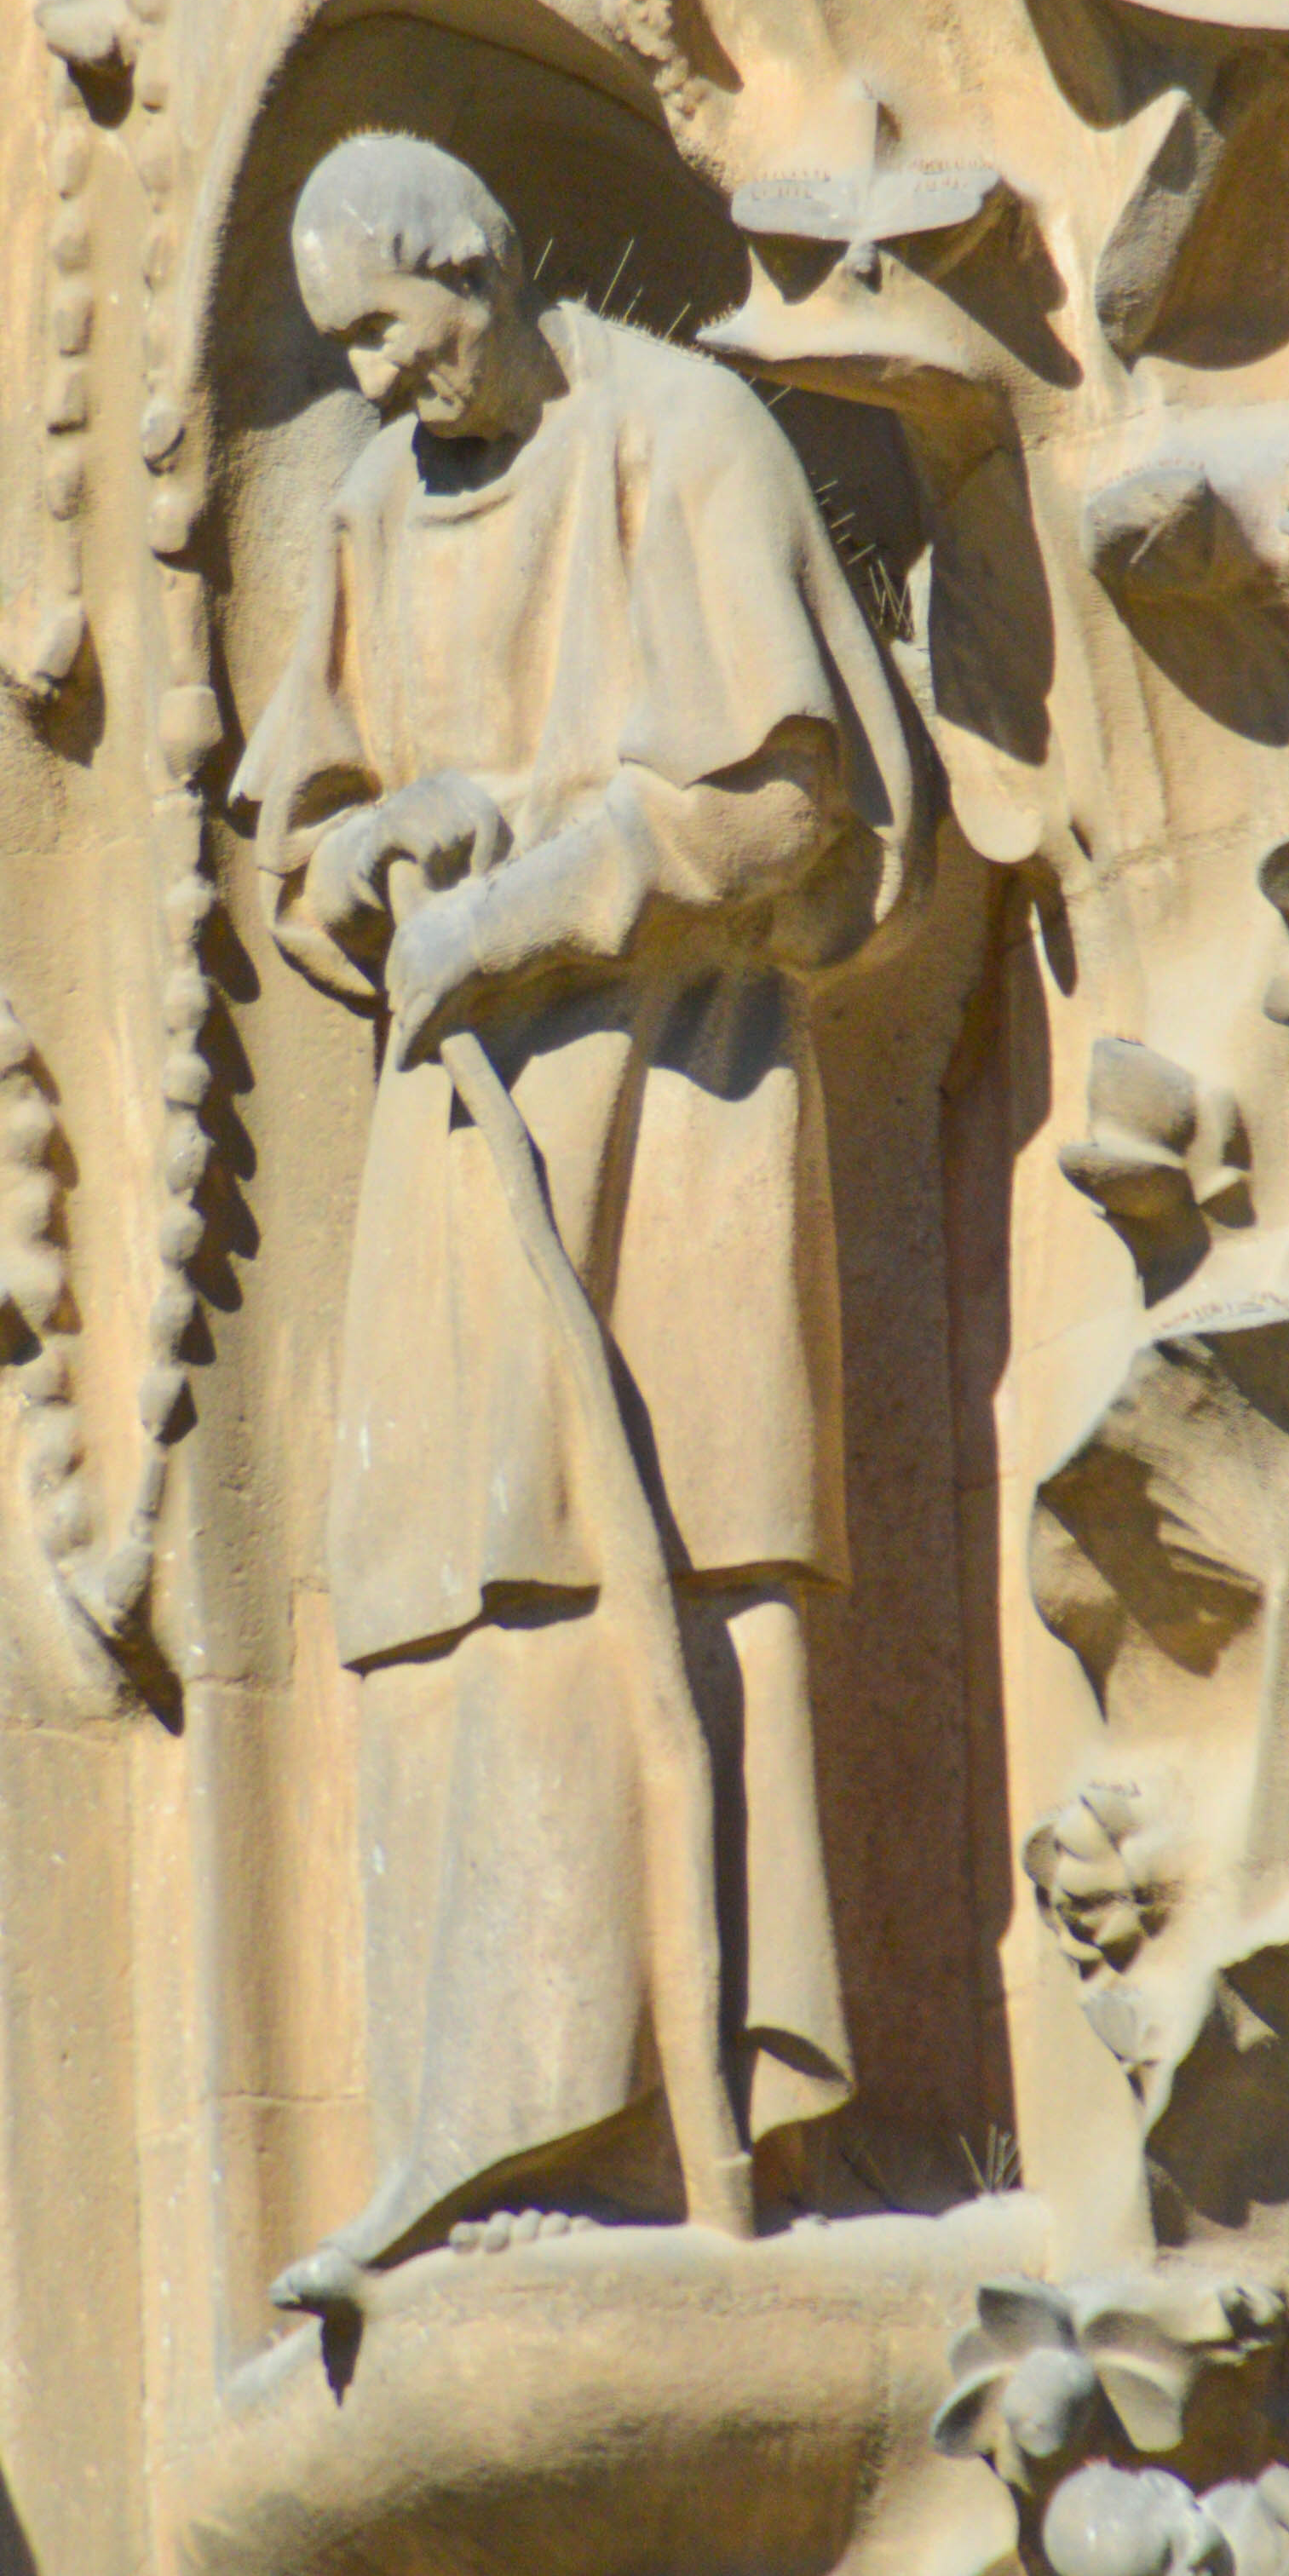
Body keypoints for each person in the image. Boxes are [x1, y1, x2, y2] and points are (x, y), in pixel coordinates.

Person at [233, 133, 928, 2288]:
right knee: (451, 1547)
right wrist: (375, 855)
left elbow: (787, 793)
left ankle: (681, 2108)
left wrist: (529, 896)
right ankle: (480, 2104)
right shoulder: (370, 499)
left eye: (387, 325)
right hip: (467, 1114)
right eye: (338, 347)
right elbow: (311, 803)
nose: (368, 380)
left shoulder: (676, 432)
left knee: (676, 1539)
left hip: (679, 1086)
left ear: (476, 259)